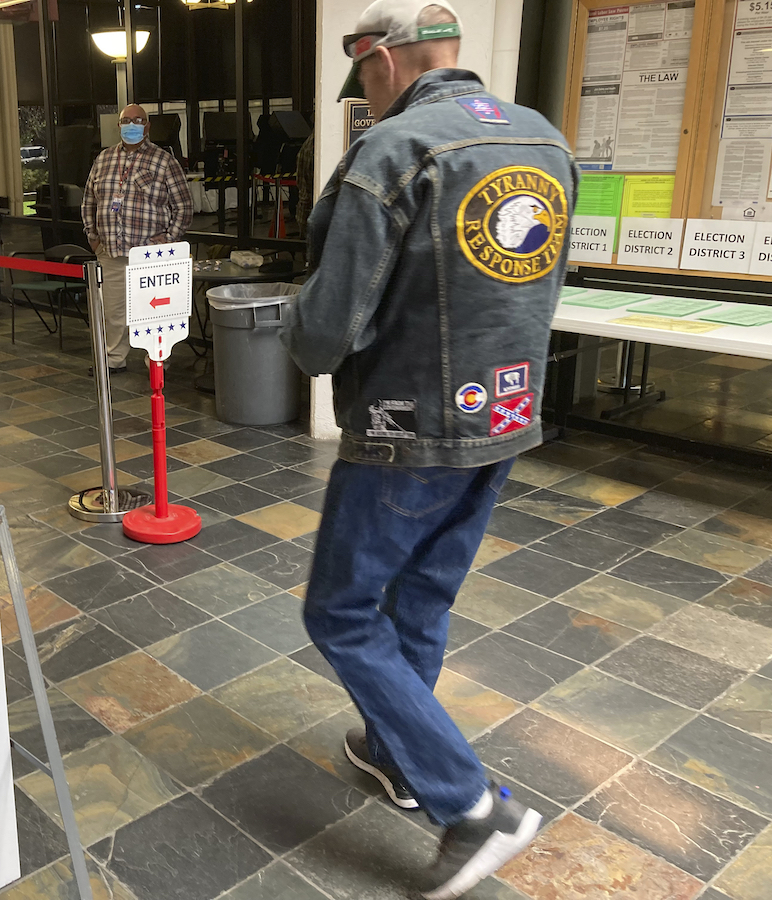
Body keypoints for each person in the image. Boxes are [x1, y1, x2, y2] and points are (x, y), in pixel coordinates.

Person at [282, 1, 578, 898]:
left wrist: (290, 320)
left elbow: (325, 334)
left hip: (406, 423)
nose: (365, 103)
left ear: (382, 61)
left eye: (363, 84)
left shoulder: (392, 151)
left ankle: (471, 804)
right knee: (422, 595)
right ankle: (397, 754)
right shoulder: (544, 141)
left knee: (339, 611)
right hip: (506, 412)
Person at [81, 104, 193, 373]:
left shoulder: (164, 161)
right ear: (118, 125)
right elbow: (88, 201)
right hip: (112, 252)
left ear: (147, 126)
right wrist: (93, 238)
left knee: (153, 312)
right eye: (126, 121)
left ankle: (156, 360)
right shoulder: (104, 159)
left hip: (150, 255)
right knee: (113, 312)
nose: (132, 125)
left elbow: (184, 206)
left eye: (138, 120)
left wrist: (168, 239)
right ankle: (113, 360)